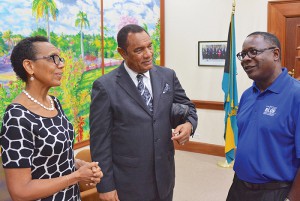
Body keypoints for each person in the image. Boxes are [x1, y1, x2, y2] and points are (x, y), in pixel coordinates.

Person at [89, 24, 198, 201]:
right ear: (122, 53)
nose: (148, 54)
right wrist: (105, 186)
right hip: (129, 182)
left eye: (150, 46)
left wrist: (189, 125)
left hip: (165, 175)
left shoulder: (167, 75)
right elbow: (100, 142)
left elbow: (188, 108)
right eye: (139, 50)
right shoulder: (105, 87)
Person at [0, 36, 103, 201]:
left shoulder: (53, 102)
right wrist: (76, 176)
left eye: (60, 59)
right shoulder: (17, 117)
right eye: (53, 59)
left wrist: (77, 165)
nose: (61, 64)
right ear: (29, 66)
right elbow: (20, 192)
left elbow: (50, 157)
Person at [226, 31, 300, 201]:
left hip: (275, 192)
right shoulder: (247, 95)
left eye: (253, 52)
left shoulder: (296, 95)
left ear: (275, 54)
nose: (245, 59)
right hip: (239, 187)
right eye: (243, 54)